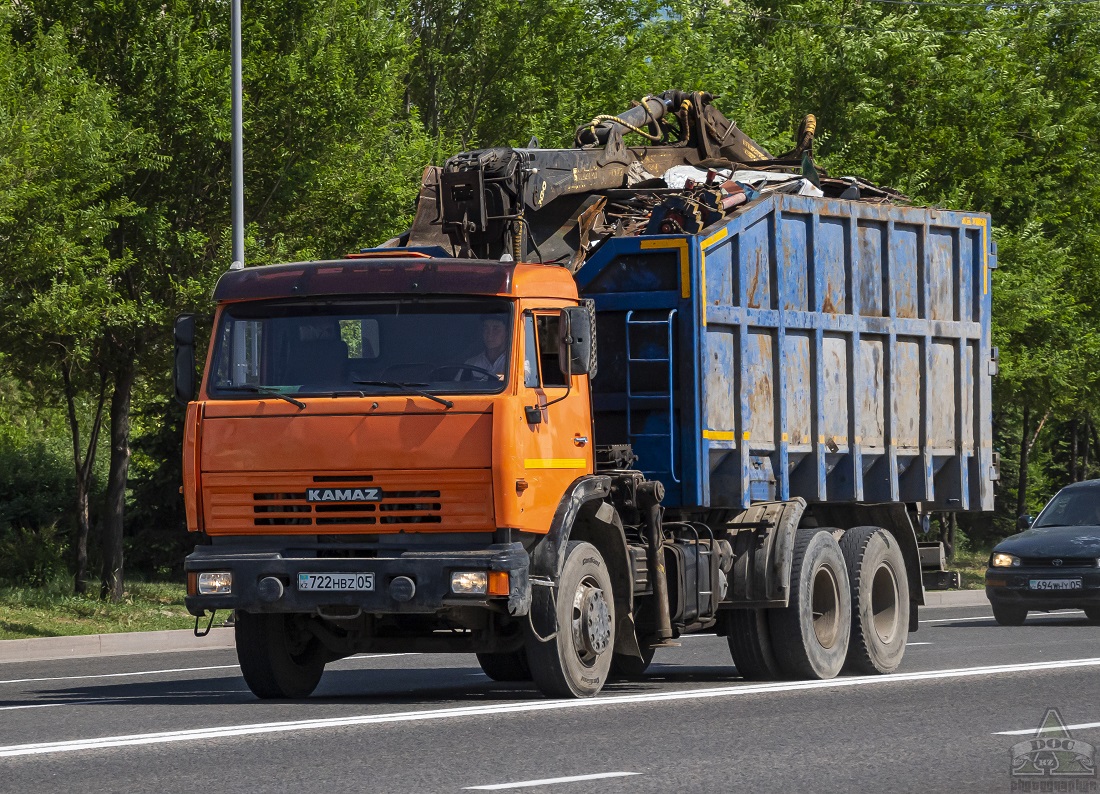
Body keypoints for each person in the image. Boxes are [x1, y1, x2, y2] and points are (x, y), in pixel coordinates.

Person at [461, 316, 508, 380]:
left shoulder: (517, 363)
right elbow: (457, 387)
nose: (489, 334)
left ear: (507, 333)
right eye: (486, 328)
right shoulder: (471, 364)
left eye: (495, 328)